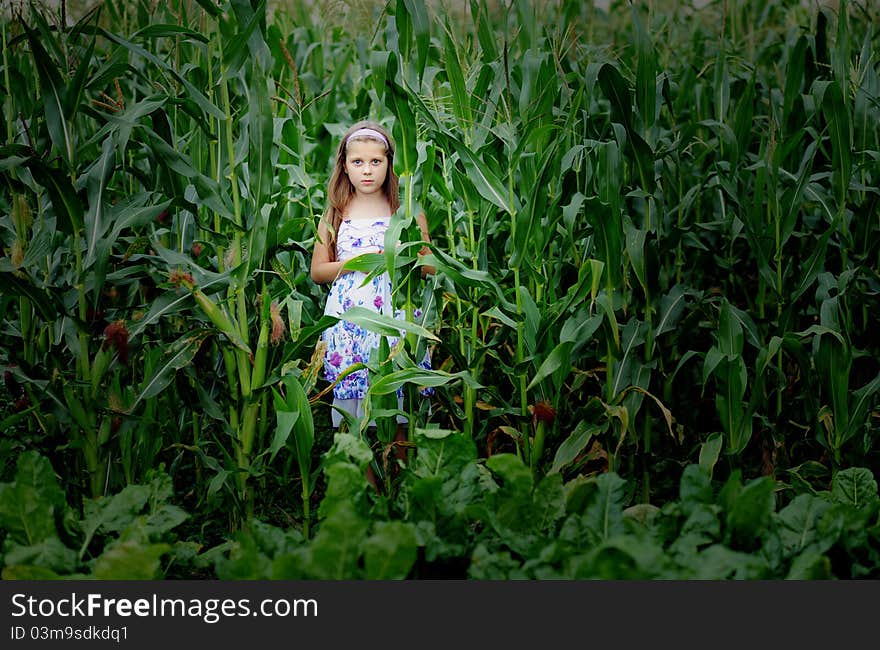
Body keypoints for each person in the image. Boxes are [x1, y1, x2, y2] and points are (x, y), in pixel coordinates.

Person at [310, 120, 434, 480]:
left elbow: (430, 267)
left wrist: (400, 254)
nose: (367, 170)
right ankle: (367, 496)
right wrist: (358, 262)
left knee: (398, 407)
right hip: (349, 323)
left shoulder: (406, 212)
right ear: (344, 165)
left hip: (395, 321)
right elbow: (318, 271)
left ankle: (401, 490)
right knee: (357, 418)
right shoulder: (335, 213)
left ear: (390, 163)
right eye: (358, 162)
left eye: (376, 162)